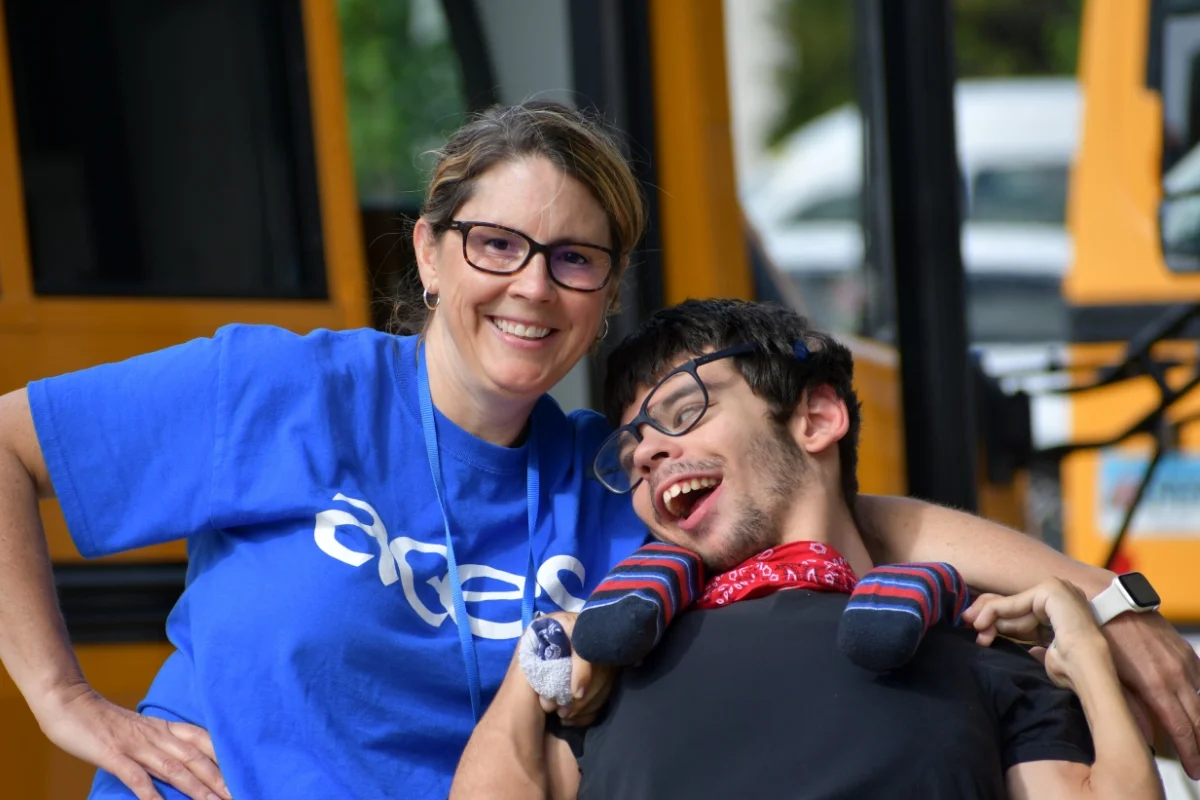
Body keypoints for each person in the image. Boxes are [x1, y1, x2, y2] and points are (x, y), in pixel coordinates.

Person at [0, 103, 1194, 800]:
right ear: (426, 251)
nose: (532, 285)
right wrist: (62, 699)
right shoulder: (280, 388)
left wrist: (1111, 599)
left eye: (574, 258)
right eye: (496, 244)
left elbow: (863, 518)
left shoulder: (611, 473)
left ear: (606, 292)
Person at [449, 299, 1165, 800]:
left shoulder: (984, 655)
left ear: (818, 418)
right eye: (632, 445)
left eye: (684, 411)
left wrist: (1090, 648)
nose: (647, 454)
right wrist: (536, 658)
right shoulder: (606, 675)